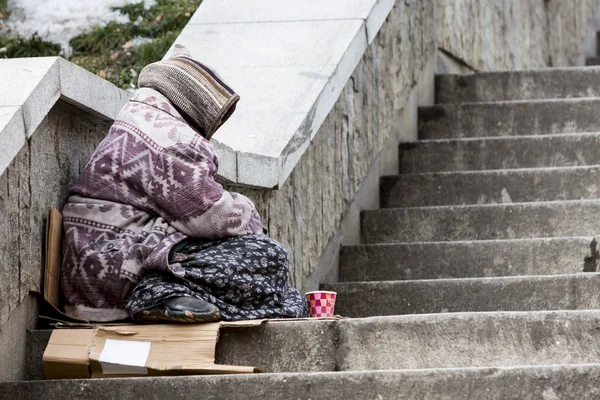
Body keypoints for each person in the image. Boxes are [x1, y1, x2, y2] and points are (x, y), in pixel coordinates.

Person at [60, 44, 308, 323]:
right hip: (115, 273)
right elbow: (214, 216)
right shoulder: (172, 138)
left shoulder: (138, 121)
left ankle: (170, 295)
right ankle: (157, 294)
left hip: (91, 269)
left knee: (269, 280)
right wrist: (248, 211)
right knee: (268, 254)